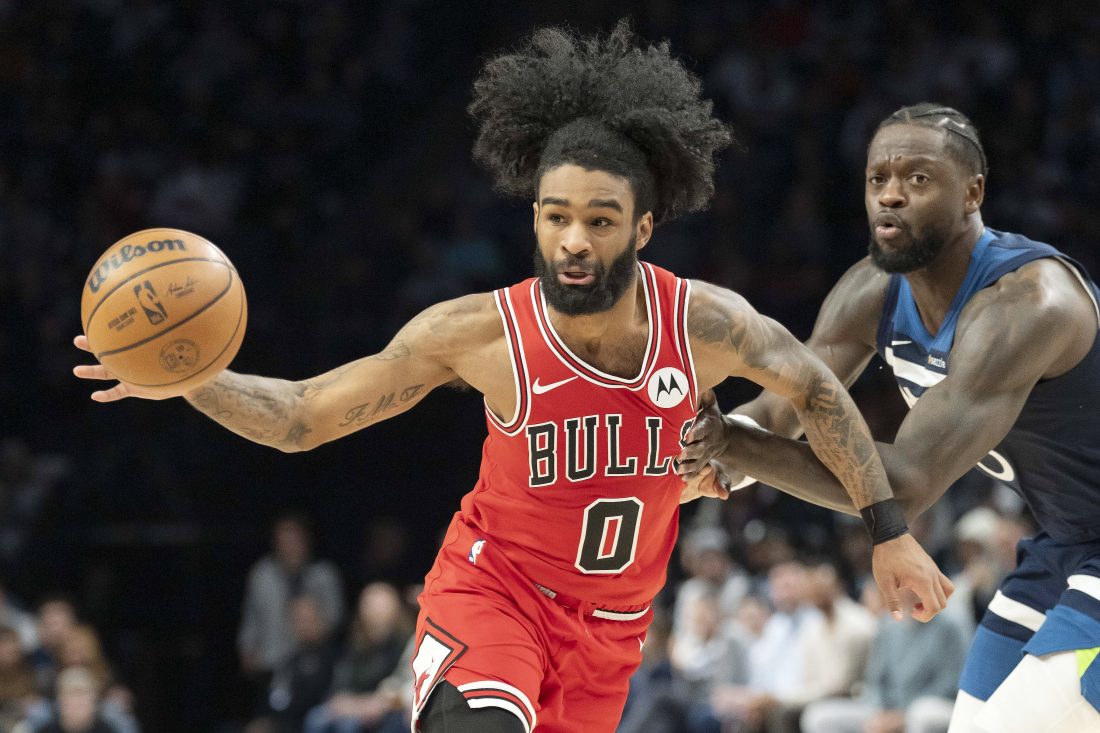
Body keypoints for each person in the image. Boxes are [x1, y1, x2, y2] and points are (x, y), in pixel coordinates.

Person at [74, 24, 949, 733]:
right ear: (534, 218)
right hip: (494, 597)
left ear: (643, 228)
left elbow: (817, 390)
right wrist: (193, 380)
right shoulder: (478, 334)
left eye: (599, 220)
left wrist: (886, 529)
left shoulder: (706, 323)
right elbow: (305, 416)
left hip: (613, 634)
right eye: (556, 215)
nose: (573, 239)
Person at [680, 103, 1100, 732]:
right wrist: (702, 450)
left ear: (973, 192)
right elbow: (780, 408)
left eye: (918, 179)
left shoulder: (1028, 304)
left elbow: (902, 487)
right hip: (1067, 545)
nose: (891, 196)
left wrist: (735, 448)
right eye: (879, 180)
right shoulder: (872, 289)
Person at [238, 513, 345, 712]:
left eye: (295, 539)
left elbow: (335, 620)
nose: (290, 546)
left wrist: (312, 632)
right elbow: (251, 618)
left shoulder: (323, 575)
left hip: (314, 665)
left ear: (307, 540)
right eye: (283, 540)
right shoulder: (262, 575)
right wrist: (248, 647)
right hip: (270, 666)